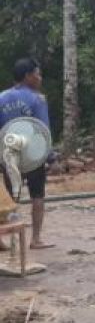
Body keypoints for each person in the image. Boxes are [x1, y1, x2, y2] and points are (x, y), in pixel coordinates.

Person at [0, 58, 53, 249]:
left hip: (8, 155)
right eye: (37, 74)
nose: (40, 78)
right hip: (33, 156)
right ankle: (35, 239)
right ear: (27, 76)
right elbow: (43, 130)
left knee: (7, 197)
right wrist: (50, 156)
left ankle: (3, 238)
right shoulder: (37, 99)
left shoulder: (1, 98)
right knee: (37, 196)